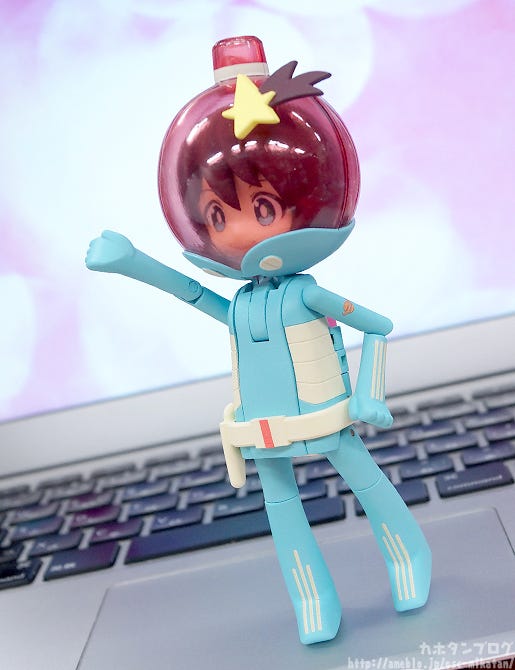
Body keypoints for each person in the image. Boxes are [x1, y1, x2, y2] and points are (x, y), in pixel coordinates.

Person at [86, 35, 431, 645]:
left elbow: (375, 326)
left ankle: (410, 561)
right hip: (264, 426)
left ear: (303, 202)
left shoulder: (306, 295)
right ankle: (313, 602)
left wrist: (369, 393)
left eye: (263, 208)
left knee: (367, 485)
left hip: (327, 413)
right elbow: (195, 295)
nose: (240, 232)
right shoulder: (244, 304)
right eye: (218, 217)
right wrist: (133, 263)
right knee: (283, 513)